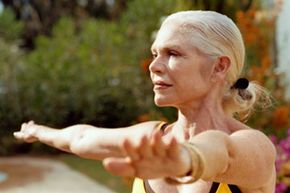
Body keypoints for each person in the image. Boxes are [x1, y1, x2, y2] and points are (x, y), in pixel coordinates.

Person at [14, 10, 276, 193]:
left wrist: (187, 158)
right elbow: (82, 138)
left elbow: (224, 153)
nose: (153, 66)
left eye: (172, 53)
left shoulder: (254, 146)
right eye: (154, 53)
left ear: (219, 67)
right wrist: (38, 131)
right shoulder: (152, 138)